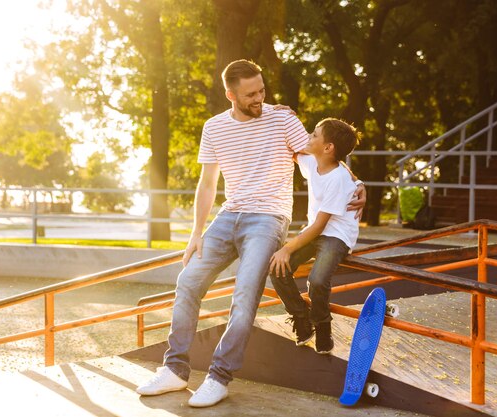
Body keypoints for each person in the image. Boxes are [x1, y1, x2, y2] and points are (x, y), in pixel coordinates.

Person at [136, 59, 366, 408]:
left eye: (262, 90)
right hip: (228, 216)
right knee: (187, 282)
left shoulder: (282, 119)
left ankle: (218, 377)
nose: (260, 98)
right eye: (251, 94)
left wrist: (357, 182)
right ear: (230, 94)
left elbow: (325, 153)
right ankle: (175, 370)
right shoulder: (214, 128)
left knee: (244, 295)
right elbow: (208, 182)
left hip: (269, 218)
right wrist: (196, 232)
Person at [269, 118, 361, 355]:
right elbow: (290, 145)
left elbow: (320, 226)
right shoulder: (312, 162)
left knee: (318, 280)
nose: (308, 137)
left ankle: (322, 325)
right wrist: (283, 113)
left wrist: (287, 248)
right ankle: (301, 318)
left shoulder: (339, 179)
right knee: (278, 268)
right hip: (316, 230)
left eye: (314, 135)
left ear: (328, 147)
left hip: (336, 235)